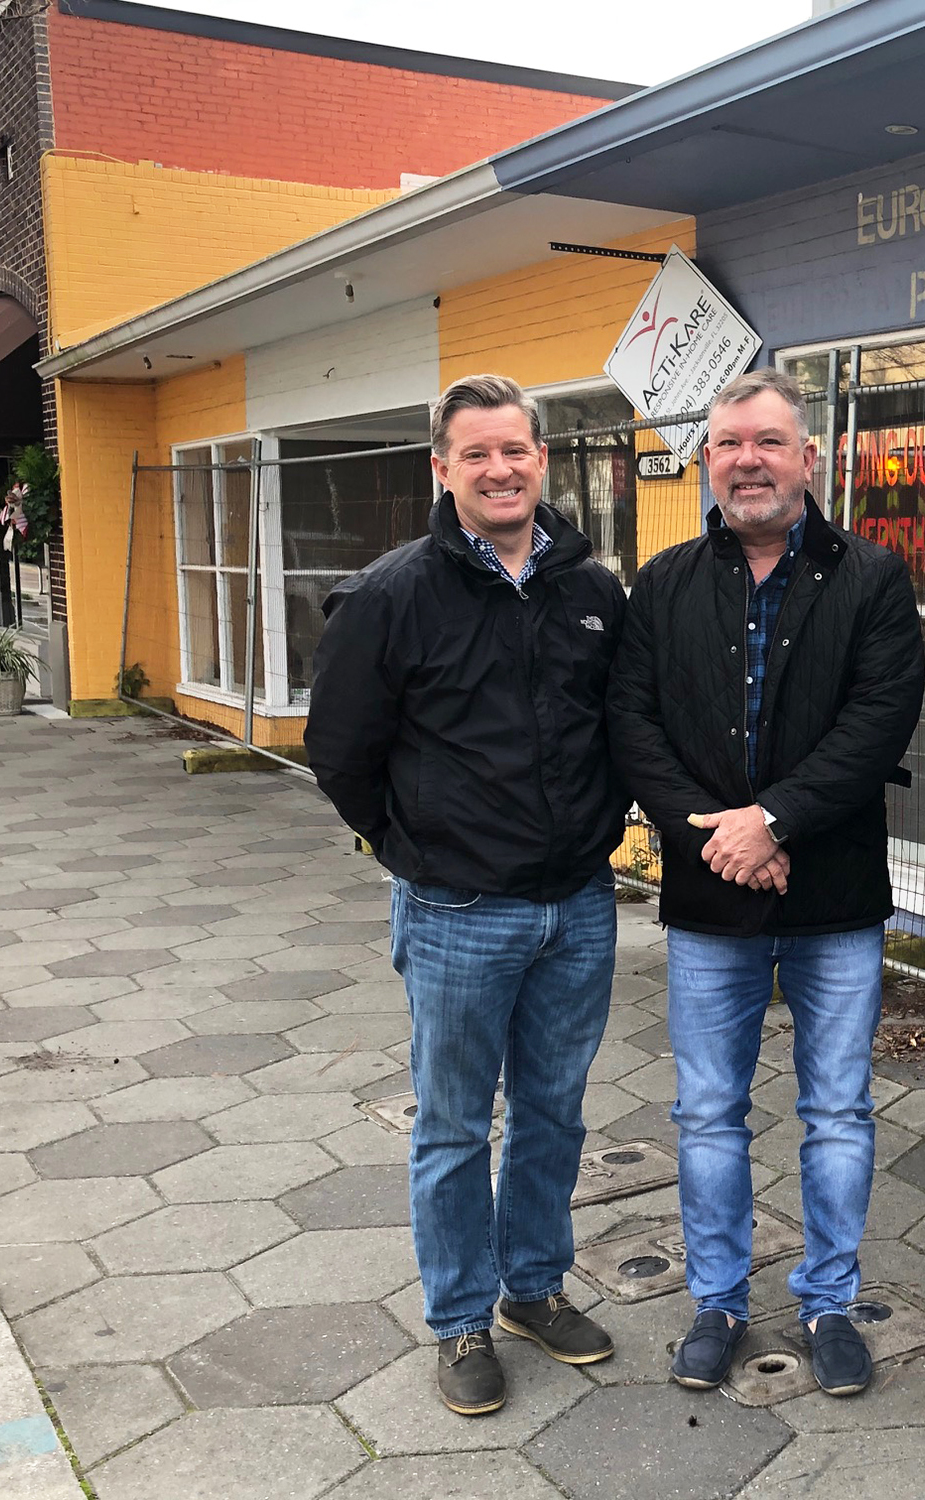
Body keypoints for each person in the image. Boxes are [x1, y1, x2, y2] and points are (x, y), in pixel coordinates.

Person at [305, 373, 628, 1417]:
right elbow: (341, 751)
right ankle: (458, 1322)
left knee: (553, 1115)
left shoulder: (590, 590)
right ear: (441, 468)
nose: (500, 469)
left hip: (577, 907)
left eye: (516, 451)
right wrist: (413, 850)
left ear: (542, 460)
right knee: (452, 1126)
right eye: (476, 454)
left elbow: (617, 729)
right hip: (456, 914)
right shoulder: (393, 594)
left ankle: (533, 1287)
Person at [609, 367, 923, 1399]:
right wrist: (720, 842)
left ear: (809, 457)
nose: (748, 459)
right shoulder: (660, 584)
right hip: (709, 901)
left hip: (833, 897)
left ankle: (830, 1302)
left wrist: (774, 820)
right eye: (730, 442)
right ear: (709, 458)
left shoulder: (872, 579)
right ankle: (718, 1302)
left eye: (768, 441)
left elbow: (877, 722)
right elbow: (633, 726)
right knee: (707, 1114)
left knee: (837, 1111)